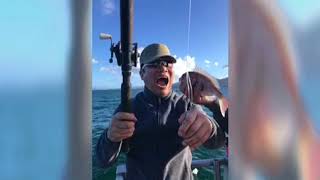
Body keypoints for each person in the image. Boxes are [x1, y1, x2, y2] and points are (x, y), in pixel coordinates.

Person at [95, 43, 227, 180]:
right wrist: (110, 137)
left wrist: (209, 128)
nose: (163, 68)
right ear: (142, 74)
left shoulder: (187, 104)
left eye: (168, 63)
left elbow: (218, 142)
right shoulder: (128, 108)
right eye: (154, 64)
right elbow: (102, 161)